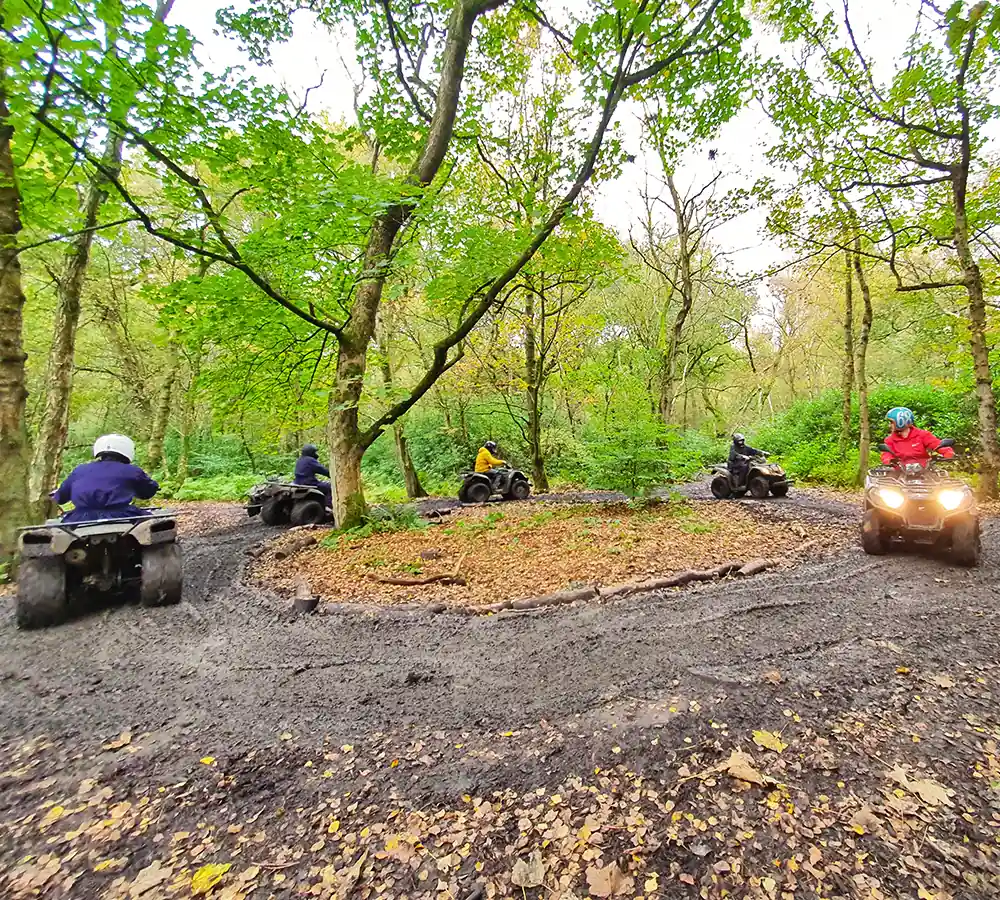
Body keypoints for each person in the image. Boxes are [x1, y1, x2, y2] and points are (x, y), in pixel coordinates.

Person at [53, 434, 159, 523]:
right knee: (155, 523)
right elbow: (147, 493)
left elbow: (61, 498)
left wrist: (57, 494)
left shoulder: (79, 470)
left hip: (80, 519)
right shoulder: (132, 471)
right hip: (122, 516)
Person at [881, 407, 954, 467]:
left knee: (942, 482)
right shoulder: (890, 440)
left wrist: (947, 452)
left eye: (891, 422)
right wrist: (888, 460)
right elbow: (886, 454)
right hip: (900, 472)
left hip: (924, 470)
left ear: (901, 421)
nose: (889, 425)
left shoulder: (922, 435)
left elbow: (936, 444)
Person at [294, 443, 332, 508]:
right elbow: (323, 470)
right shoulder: (310, 460)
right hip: (309, 483)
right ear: (310, 452)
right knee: (329, 487)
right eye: (315, 452)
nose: (316, 454)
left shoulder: (300, 459)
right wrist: (331, 475)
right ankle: (328, 507)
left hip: (297, 482)